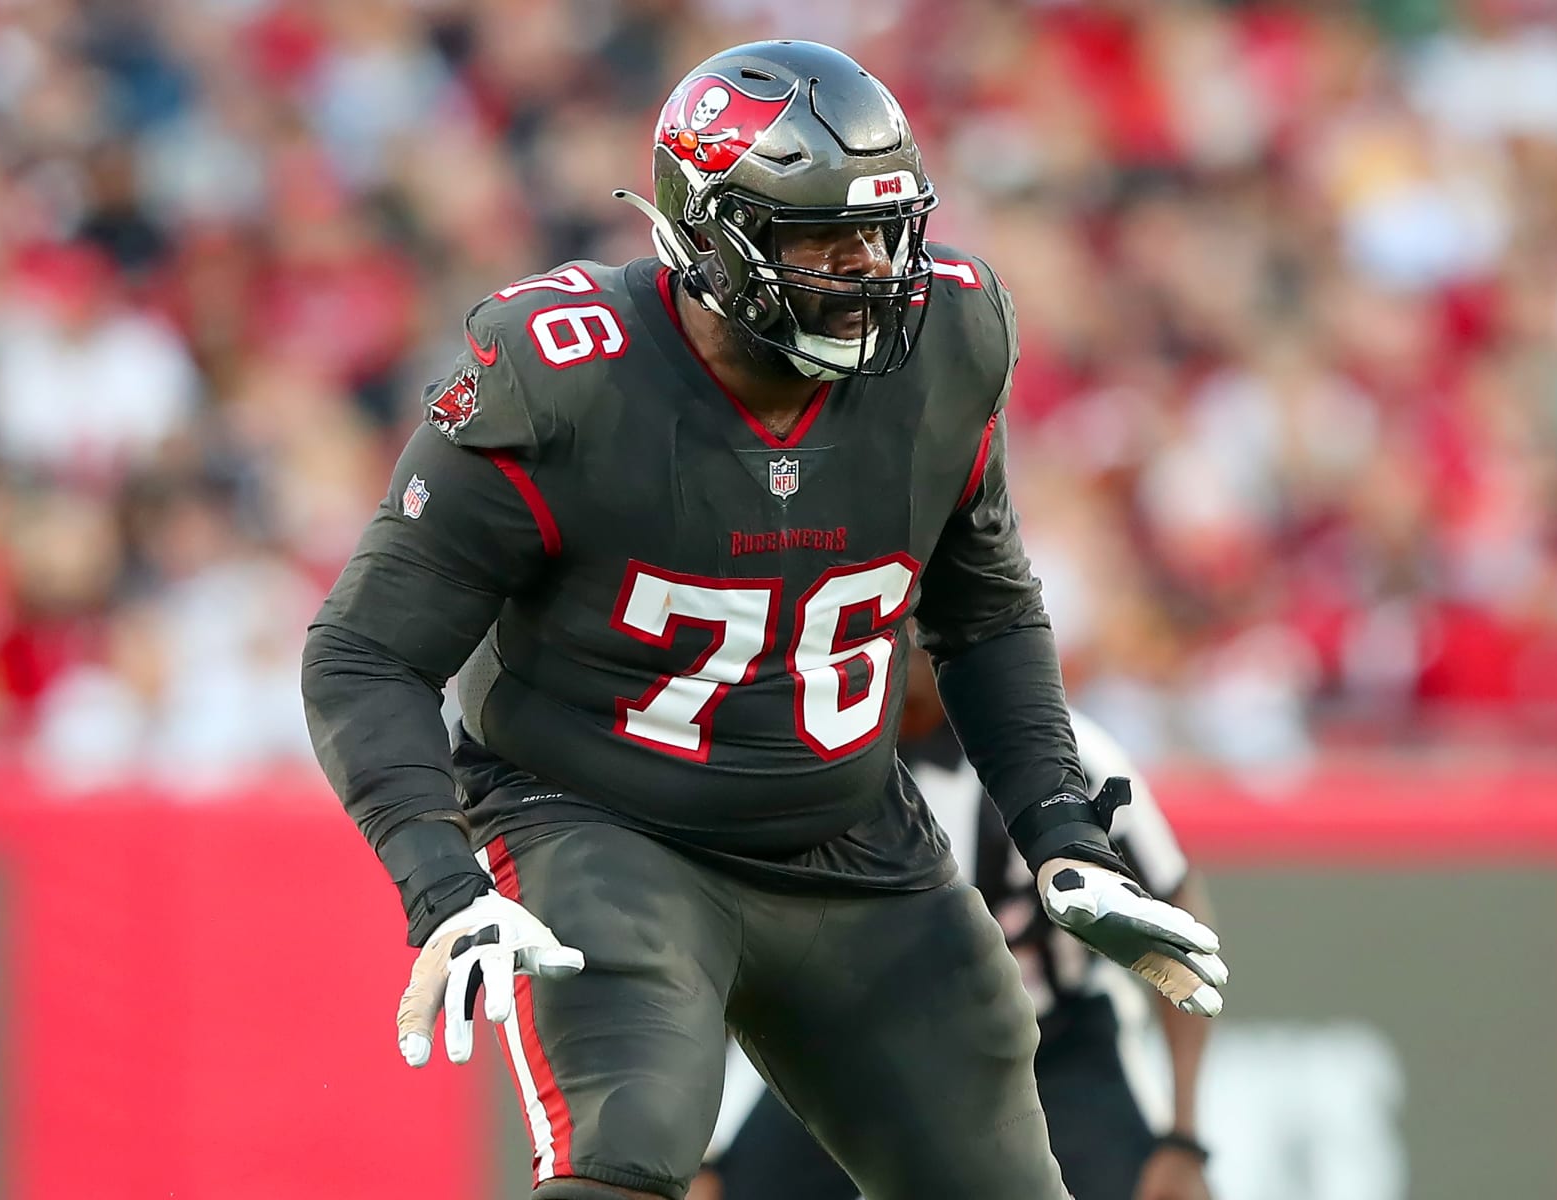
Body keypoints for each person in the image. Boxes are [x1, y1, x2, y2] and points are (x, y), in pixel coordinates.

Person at [301, 40, 1226, 1200]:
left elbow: (985, 616)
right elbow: (365, 651)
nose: (864, 267)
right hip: (604, 820)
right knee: (627, 1151)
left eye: (881, 230)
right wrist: (443, 882)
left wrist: (1061, 831)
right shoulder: (562, 375)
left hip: (851, 835)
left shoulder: (949, 340)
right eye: (817, 236)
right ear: (709, 236)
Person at [697, 648, 1217, 1200]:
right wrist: (702, 1152)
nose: (913, 636)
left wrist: (1182, 1136)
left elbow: (1173, 902)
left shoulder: (1065, 752)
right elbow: (738, 940)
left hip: (1052, 1053)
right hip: (854, 1051)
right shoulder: (802, 761)